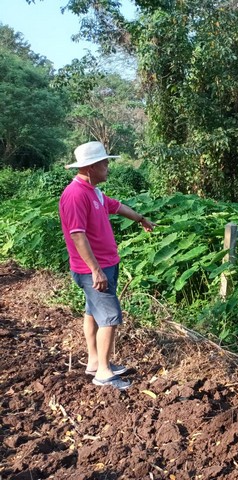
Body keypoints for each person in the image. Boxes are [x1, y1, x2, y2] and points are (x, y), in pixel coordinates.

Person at [59, 141, 156, 391]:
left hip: (104, 265)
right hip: (93, 269)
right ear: (90, 167)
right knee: (110, 317)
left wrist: (141, 219)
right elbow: (77, 235)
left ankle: (94, 362)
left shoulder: (94, 191)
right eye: (104, 163)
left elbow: (116, 206)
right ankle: (103, 372)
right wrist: (95, 269)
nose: (108, 166)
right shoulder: (75, 194)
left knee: (93, 312)